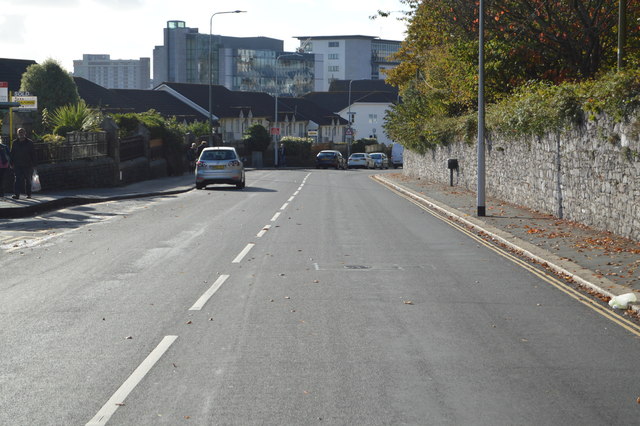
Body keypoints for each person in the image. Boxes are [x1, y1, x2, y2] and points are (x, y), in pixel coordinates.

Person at [9, 128, 37, 199]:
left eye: (22, 132)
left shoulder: (30, 142)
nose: (21, 134)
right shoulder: (14, 142)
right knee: (17, 180)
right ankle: (17, 195)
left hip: (28, 165)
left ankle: (29, 194)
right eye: (19, 132)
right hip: (17, 164)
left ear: (25, 133)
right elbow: (12, 153)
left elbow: (33, 154)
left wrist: (34, 164)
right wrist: (11, 163)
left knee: (28, 180)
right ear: (17, 134)